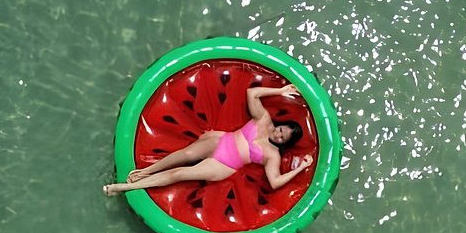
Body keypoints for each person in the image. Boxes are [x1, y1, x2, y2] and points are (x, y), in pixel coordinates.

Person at [103, 84, 313, 196]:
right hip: (220, 142)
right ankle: (146, 171)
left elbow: (275, 183)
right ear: (280, 124)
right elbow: (252, 93)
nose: (278, 134)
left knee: (181, 173)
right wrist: (280, 90)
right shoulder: (264, 120)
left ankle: (124, 188)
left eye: (282, 137)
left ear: (285, 142)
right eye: (281, 129)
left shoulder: (272, 155)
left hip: (224, 164)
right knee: (184, 155)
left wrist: (300, 168)